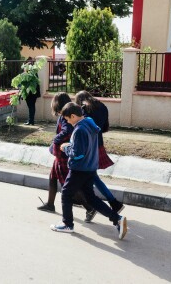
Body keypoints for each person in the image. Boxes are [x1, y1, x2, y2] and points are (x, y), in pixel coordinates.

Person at [51, 102, 127, 239]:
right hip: (90, 167)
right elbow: (84, 147)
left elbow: (78, 153)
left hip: (79, 168)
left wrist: (66, 147)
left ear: (73, 116)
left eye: (68, 120)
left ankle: (67, 224)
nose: (68, 122)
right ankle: (117, 219)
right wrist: (72, 145)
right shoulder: (89, 122)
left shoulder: (79, 129)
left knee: (66, 194)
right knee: (91, 198)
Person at [74, 91, 123, 223]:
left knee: (91, 176)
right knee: (93, 176)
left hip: (88, 145)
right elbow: (104, 126)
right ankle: (113, 203)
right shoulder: (102, 106)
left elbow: (80, 125)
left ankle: (104, 204)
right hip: (98, 143)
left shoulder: (84, 109)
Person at [21, 57, 41, 125]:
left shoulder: (28, 72)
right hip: (33, 92)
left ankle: (30, 121)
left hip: (30, 92)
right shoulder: (34, 72)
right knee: (32, 106)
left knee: (30, 106)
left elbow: (24, 82)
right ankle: (31, 121)